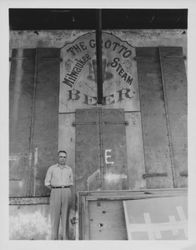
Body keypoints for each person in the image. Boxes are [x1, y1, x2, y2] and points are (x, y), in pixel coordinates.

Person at [45, 150, 73, 240]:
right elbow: (47, 183)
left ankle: (65, 240)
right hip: (55, 191)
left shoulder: (69, 169)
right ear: (58, 157)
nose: (62, 159)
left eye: (64, 157)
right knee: (55, 218)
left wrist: (64, 190)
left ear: (66, 158)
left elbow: (71, 182)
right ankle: (54, 240)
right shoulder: (52, 168)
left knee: (65, 217)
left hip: (66, 191)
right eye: (61, 157)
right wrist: (55, 189)